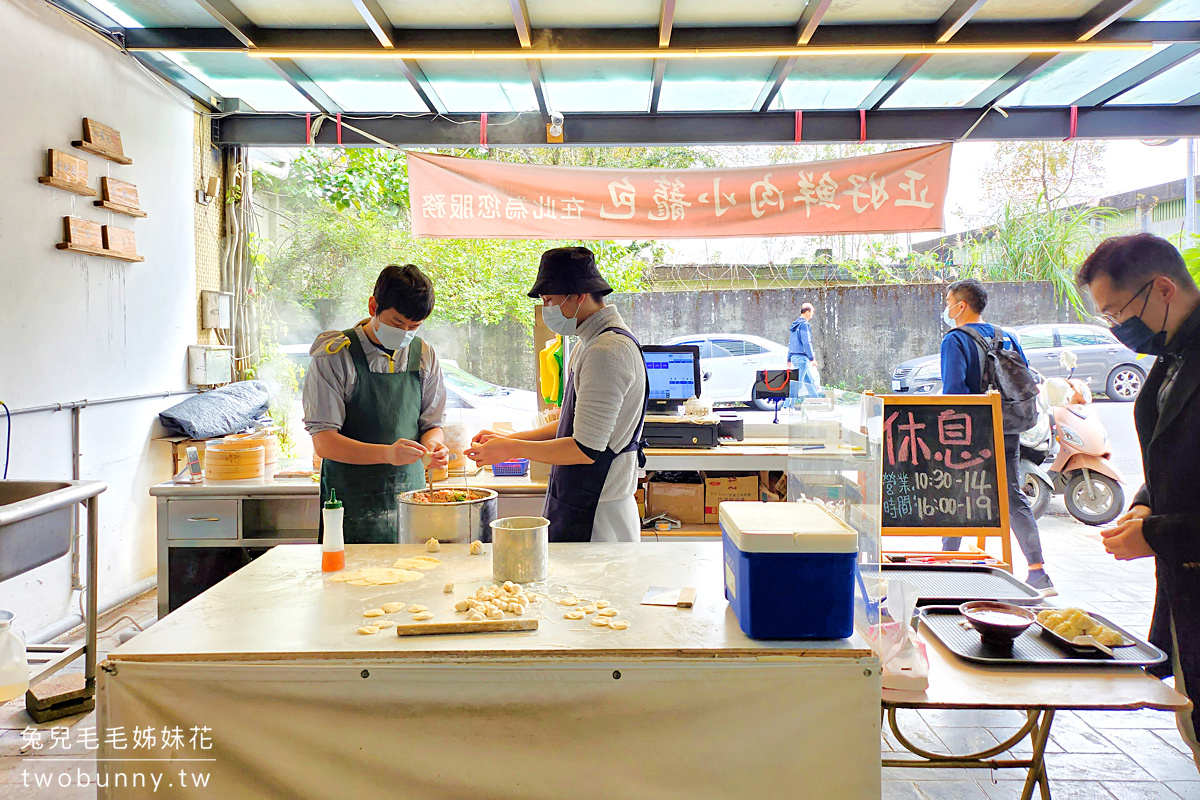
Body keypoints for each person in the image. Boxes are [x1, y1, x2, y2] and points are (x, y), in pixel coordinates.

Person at [1077, 233, 1200, 768]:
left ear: (1163, 288)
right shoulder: (1174, 354)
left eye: (1117, 313)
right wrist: (1146, 504)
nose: (1117, 329)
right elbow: (1173, 454)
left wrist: (1156, 534)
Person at [466, 247, 648, 543]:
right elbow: (572, 424)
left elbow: (584, 449)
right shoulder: (589, 343)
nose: (545, 308)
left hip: (600, 515)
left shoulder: (607, 352)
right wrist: (511, 439)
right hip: (581, 502)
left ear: (579, 296)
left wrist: (510, 450)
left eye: (549, 300)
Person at [303, 264, 450, 543]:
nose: (405, 333)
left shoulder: (424, 355)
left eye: (414, 326)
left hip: (411, 501)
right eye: (397, 323)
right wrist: (387, 454)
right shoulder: (335, 355)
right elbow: (324, 442)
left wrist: (433, 445)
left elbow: (431, 424)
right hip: (349, 502)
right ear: (373, 306)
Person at [938, 278, 1055, 595]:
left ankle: (946, 565)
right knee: (1011, 493)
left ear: (961, 305)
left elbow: (954, 394)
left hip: (972, 432)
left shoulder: (956, 340)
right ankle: (1038, 572)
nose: (947, 308)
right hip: (1009, 427)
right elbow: (1023, 380)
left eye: (948, 302)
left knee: (958, 493)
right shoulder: (1009, 337)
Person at [788, 302, 822, 399]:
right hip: (802, 358)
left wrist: (789, 358)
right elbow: (807, 342)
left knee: (810, 382)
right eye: (812, 312)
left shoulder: (794, 325)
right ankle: (787, 406)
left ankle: (817, 402)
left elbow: (791, 343)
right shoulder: (804, 325)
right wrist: (812, 359)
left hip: (795, 357)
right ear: (807, 312)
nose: (813, 314)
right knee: (797, 385)